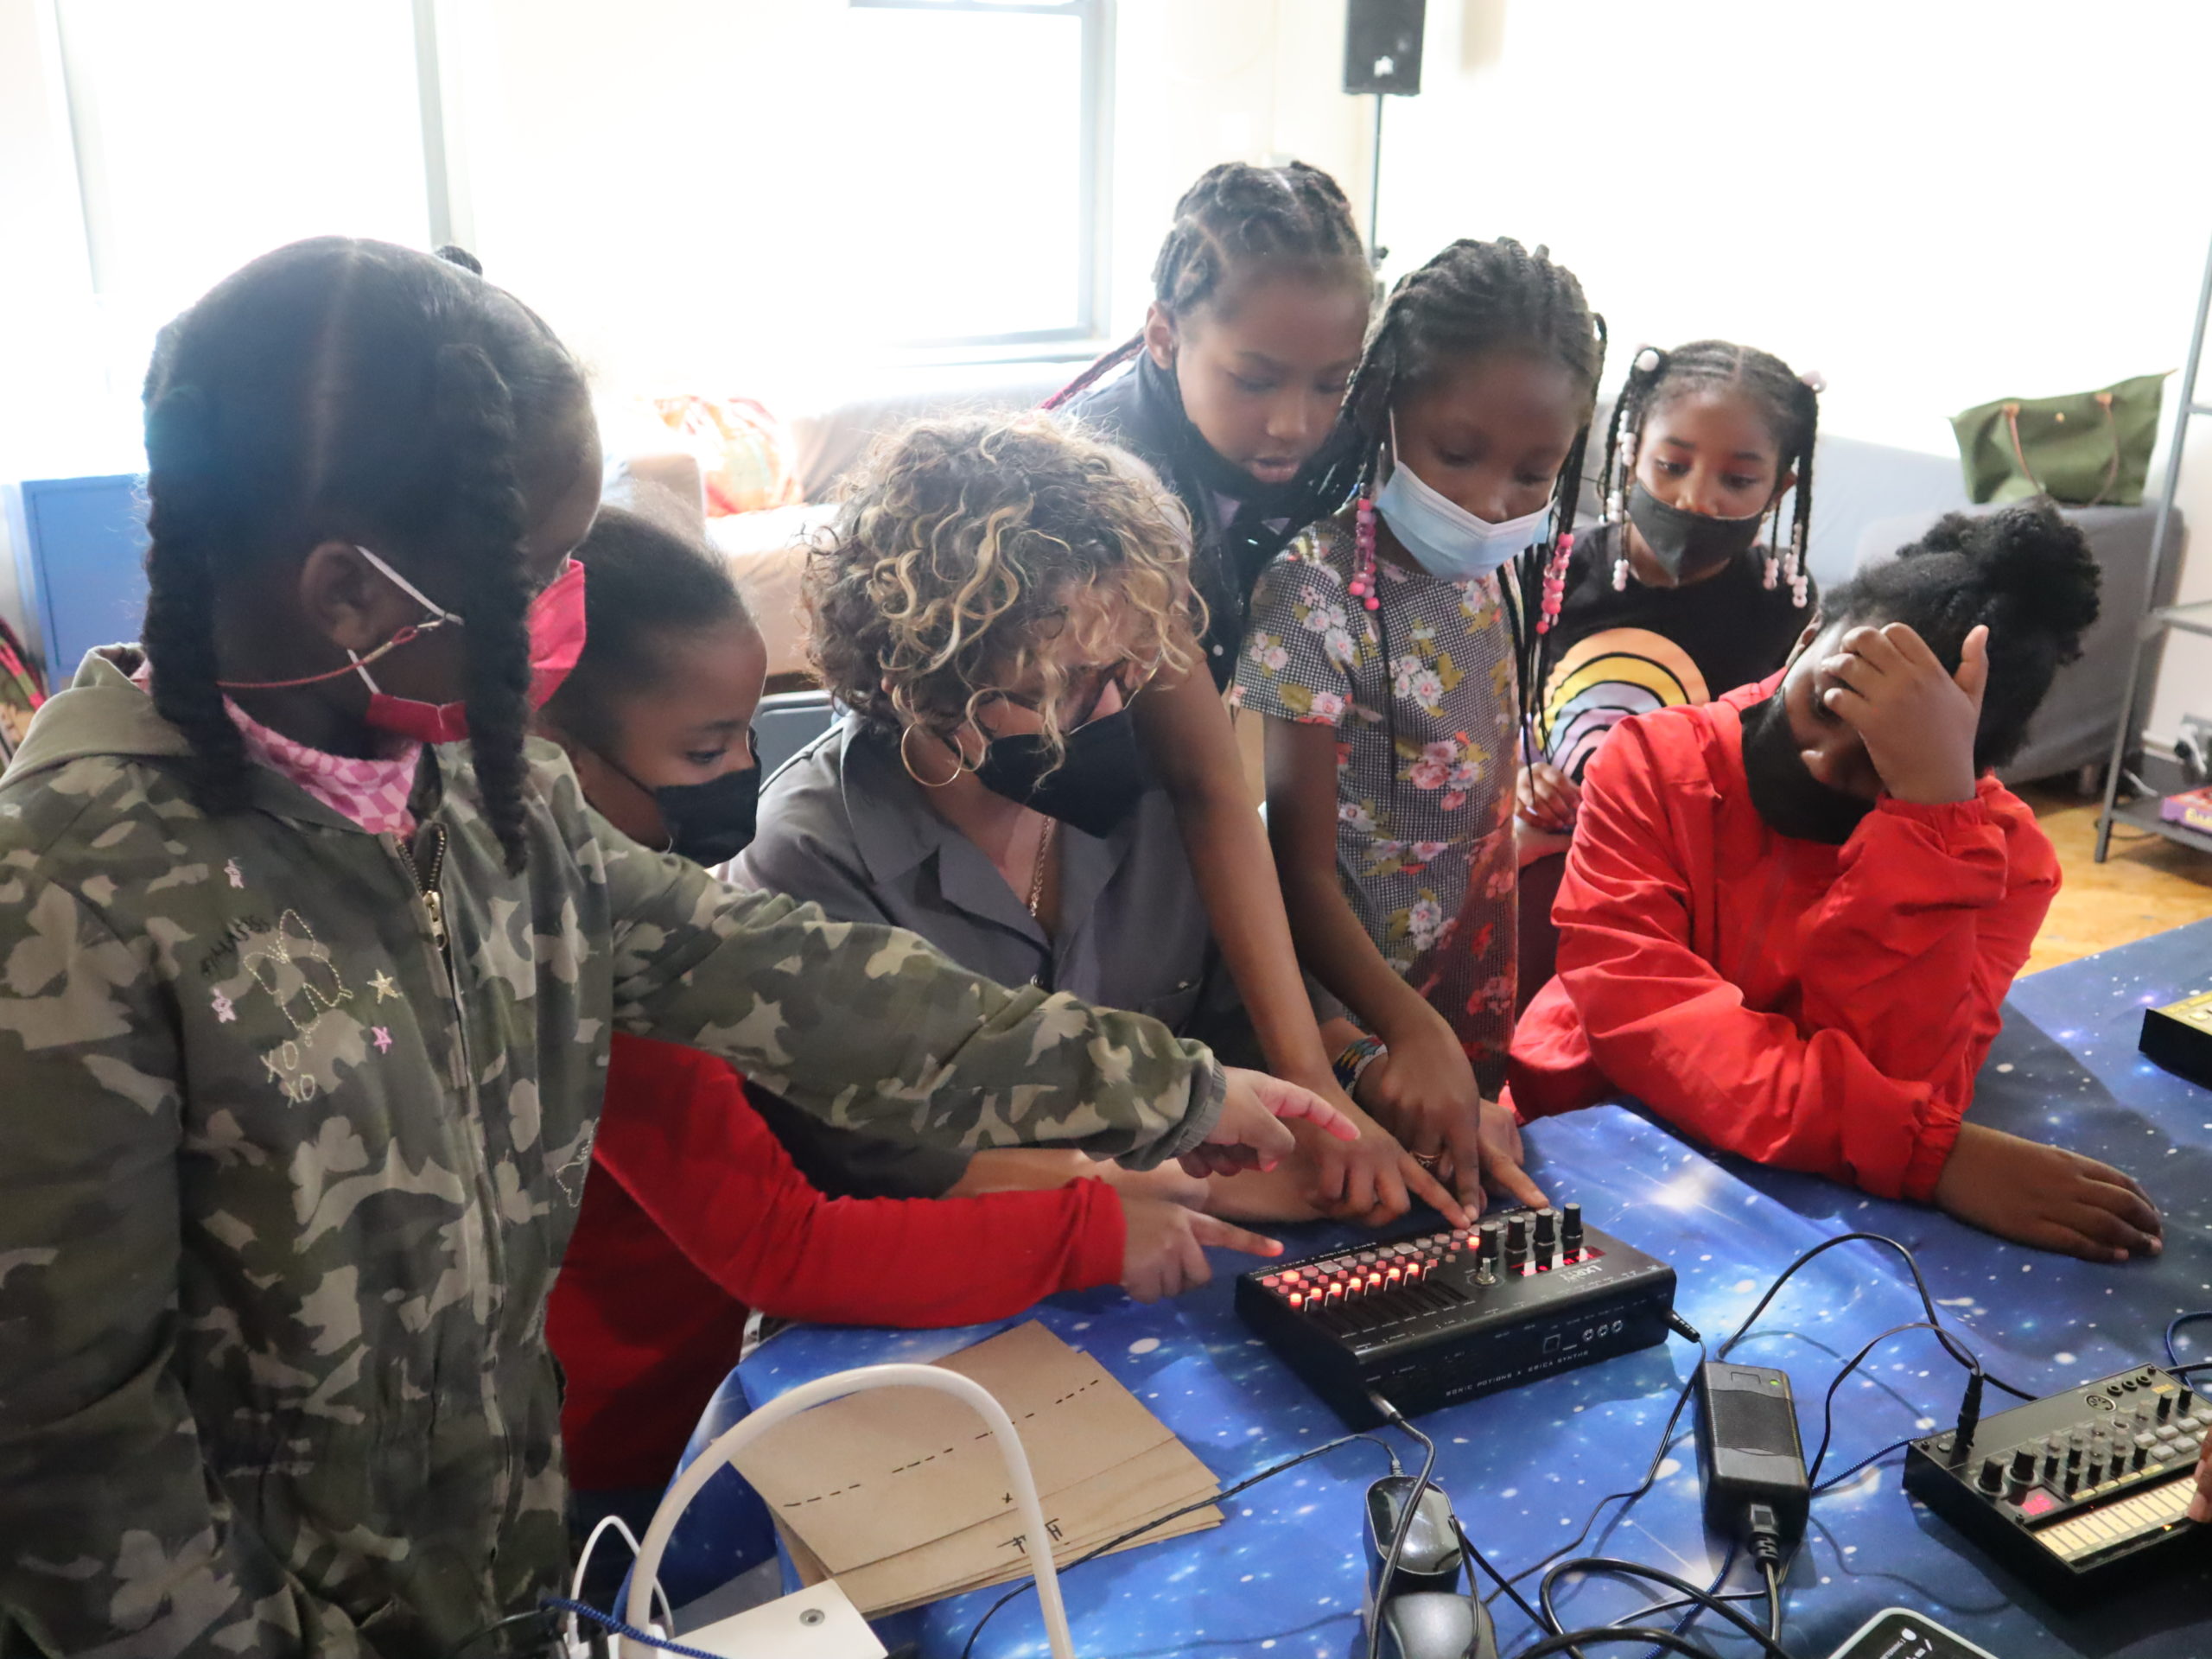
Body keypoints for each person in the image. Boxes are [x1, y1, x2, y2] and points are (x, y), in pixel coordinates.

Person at [0, 239, 1347, 1658]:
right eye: (536, 573)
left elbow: (801, 985)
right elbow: (72, 1457)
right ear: (350, 597)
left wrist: (1178, 1092)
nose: (567, 613)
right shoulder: (70, 906)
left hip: (490, 1580)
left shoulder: (487, 805)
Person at [534, 505, 1281, 1575]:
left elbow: (902, 1023)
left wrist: (1186, 1104)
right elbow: (787, 1243)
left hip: (714, 1395)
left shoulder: (650, 907)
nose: (744, 768)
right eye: (705, 750)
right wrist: (1092, 1226)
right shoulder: (601, 959)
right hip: (631, 1439)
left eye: (748, 734)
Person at [739, 412, 1454, 1224]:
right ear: (920, 684)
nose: (1113, 710)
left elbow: (1250, 1019)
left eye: (1123, 670)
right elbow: (892, 1167)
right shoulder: (804, 863)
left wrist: (1370, 1085)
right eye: (1056, 687)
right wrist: (1221, 1187)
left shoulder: (1162, 801)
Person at [1509, 500, 2166, 1263]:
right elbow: (1653, 1028)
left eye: (1883, 758)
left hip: (1809, 1184)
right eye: (1826, 706)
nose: (1825, 763)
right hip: (1592, 1128)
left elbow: (1904, 1072)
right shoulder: (1653, 762)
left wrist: (1929, 822)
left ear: (1971, 763)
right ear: (1806, 637)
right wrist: (1926, 1154)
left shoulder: (2003, 860)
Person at [1037, 162, 1426, 1218]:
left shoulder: (1329, 439)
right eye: (1255, 381)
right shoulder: (1105, 488)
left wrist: (1333, 1057)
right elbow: (1209, 790)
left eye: (1329, 384)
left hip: (1179, 793)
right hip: (1038, 799)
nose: (1295, 424)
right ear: (1163, 334)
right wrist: (1311, 1082)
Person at [1236, 236, 1605, 1211]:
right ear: (1383, 408)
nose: (1489, 501)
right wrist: (1402, 1032)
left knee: (1463, 1215)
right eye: (1456, 456)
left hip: (1469, 977)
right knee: (1355, 1213)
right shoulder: (1313, 592)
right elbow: (1294, 872)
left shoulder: (1501, 572)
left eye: (1534, 473)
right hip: (1346, 1010)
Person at [1516, 340, 1822, 1000]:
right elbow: (1499, 695)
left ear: (1780, 489)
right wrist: (1520, 772)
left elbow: (1775, 757)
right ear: (1630, 451)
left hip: (1679, 889)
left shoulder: (1782, 605)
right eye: (1672, 466)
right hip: (1543, 853)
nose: (1696, 499)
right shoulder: (1553, 568)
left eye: (1738, 481)